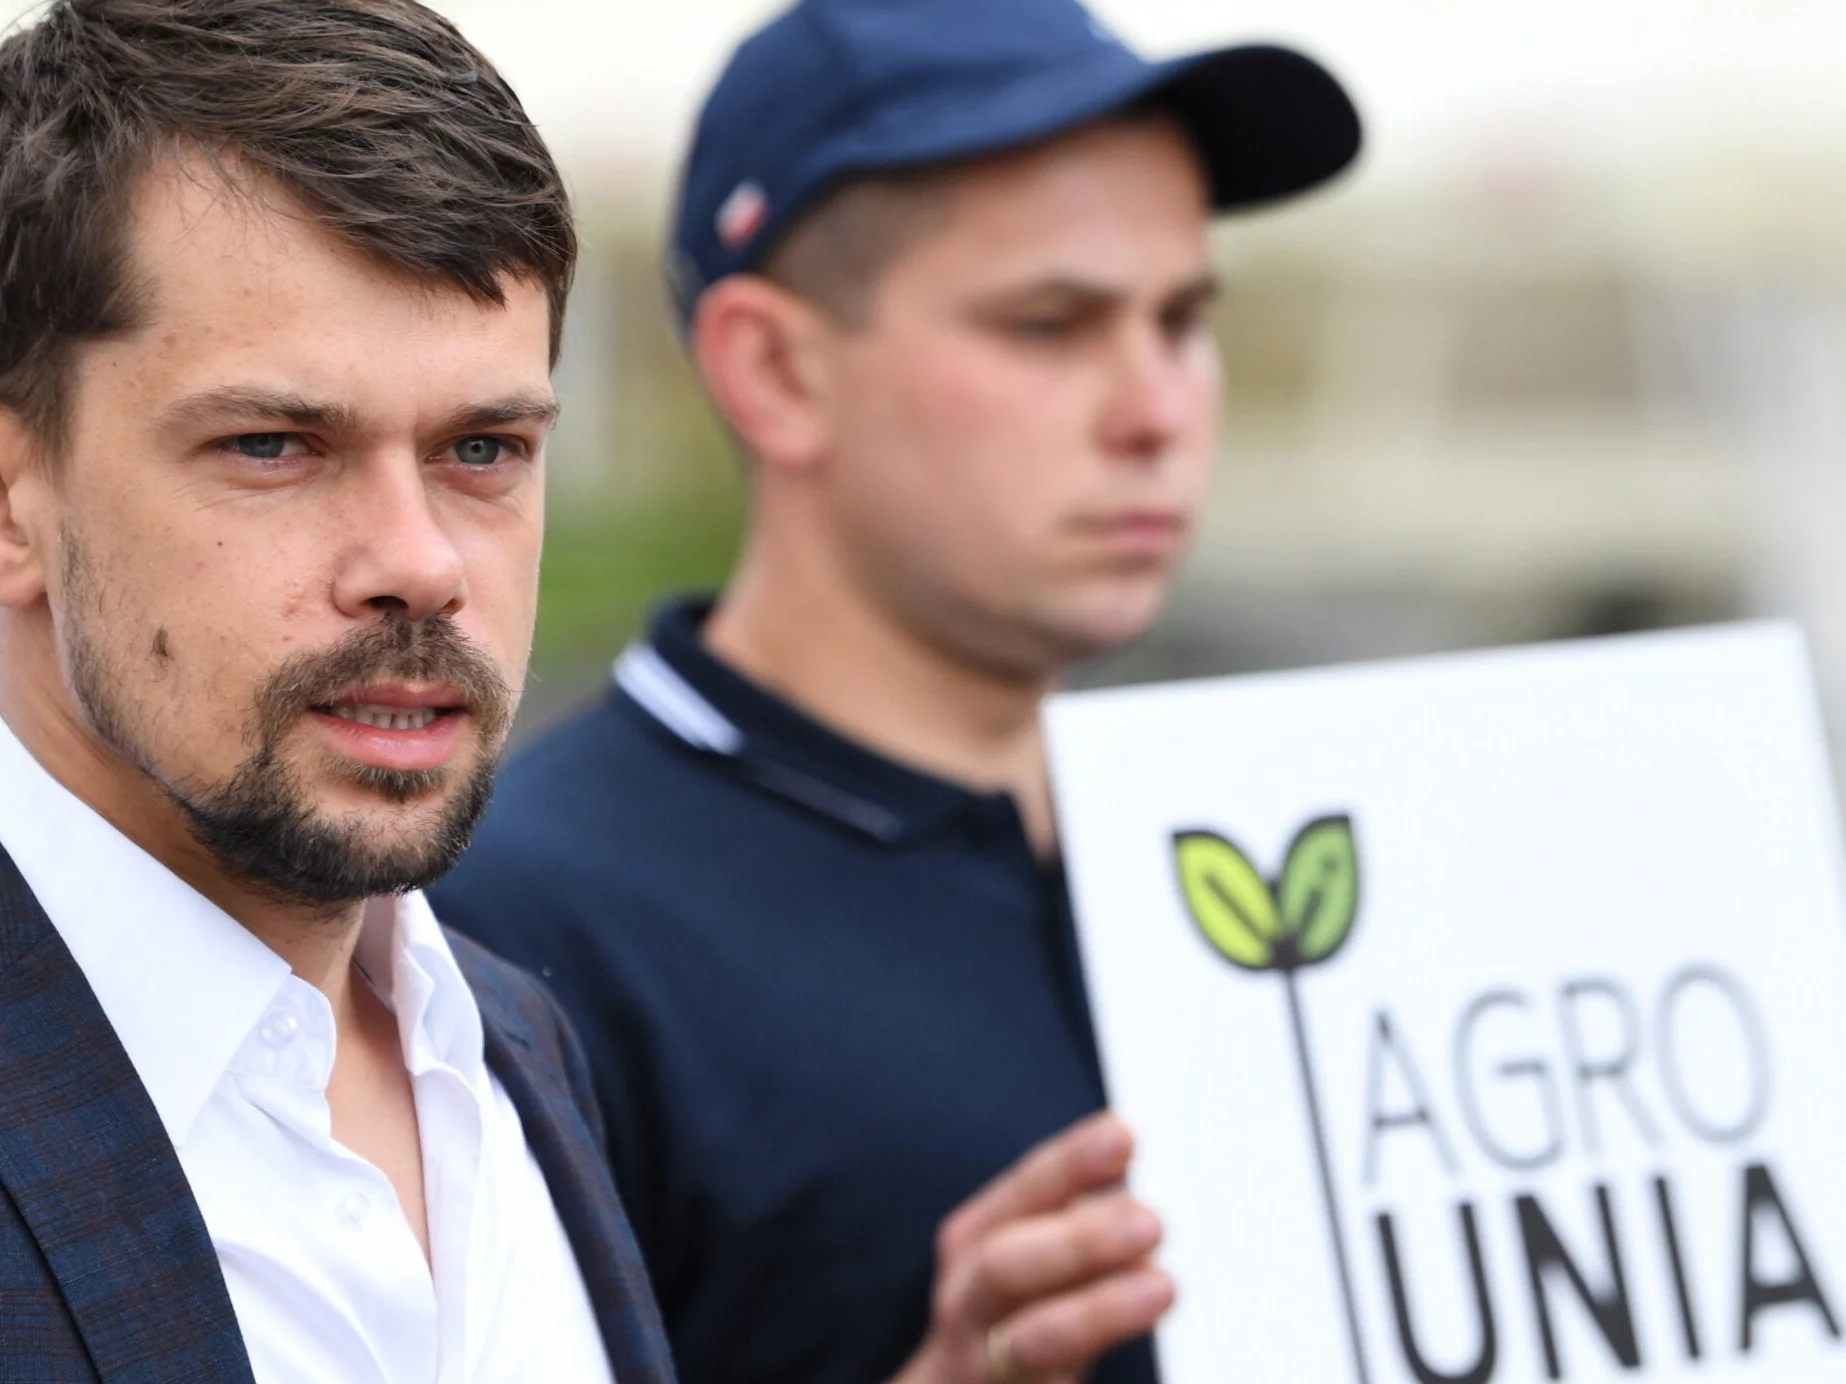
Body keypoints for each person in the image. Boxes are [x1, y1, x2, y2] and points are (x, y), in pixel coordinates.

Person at [433, 1, 1360, 1381]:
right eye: (1052, 324)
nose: (1156, 407)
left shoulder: (1290, 827)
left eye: (1182, 318)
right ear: (776, 369)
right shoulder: (500, 932)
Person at [0, 2, 674, 1380]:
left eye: (482, 447)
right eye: (275, 445)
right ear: (14, 498)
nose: (421, 566)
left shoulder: (510, 1047)